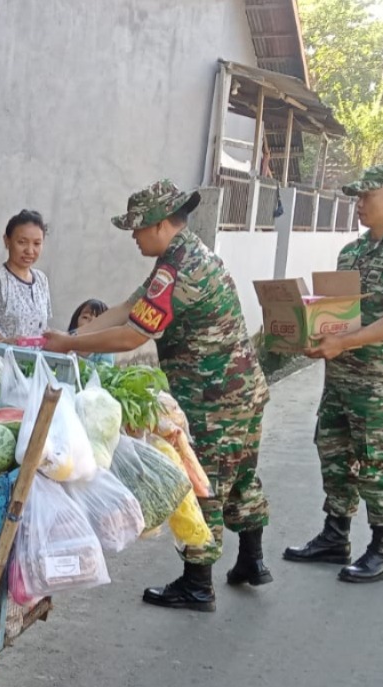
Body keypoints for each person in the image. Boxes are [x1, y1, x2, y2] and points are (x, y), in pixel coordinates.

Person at [43, 180, 272, 612]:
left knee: (203, 482)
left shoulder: (177, 268)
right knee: (241, 475)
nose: (133, 235)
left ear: (163, 225)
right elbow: (132, 306)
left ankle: (198, 583)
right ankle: (252, 560)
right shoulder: (186, 255)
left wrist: (68, 346)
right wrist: (72, 335)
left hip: (213, 395)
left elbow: (133, 334)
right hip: (243, 390)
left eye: (137, 227)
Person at [283, 165, 383, 583]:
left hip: (378, 381)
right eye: (357, 197)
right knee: (334, 454)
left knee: (376, 461)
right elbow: (338, 314)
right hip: (341, 375)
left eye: (368, 196)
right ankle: (335, 536)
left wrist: (342, 343)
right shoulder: (351, 252)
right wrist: (311, 332)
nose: (359, 204)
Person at [0, 210, 52, 340]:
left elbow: (42, 327)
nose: (30, 250)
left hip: (34, 359)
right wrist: (4, 342)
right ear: (7, 241)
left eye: (37, 243)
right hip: (2, 358)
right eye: (22, 242)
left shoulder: (42, 280)